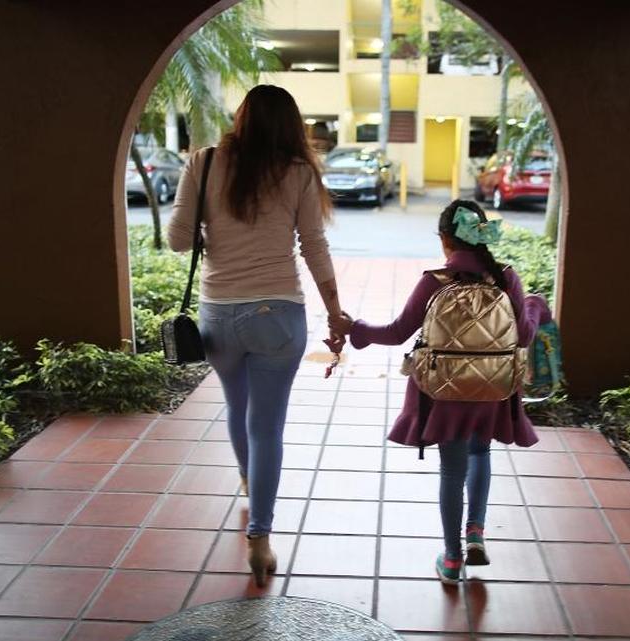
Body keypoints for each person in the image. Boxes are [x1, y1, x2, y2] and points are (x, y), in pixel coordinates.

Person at [167, 85, 344, 587]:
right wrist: (335, 312)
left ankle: (249, 484)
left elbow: (178, 241)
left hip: (218, 315)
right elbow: (314, 244)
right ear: (292, 125)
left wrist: (212, 228)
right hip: (278, 314)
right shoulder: (298, 172)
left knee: (236, 407)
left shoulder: (202, 162)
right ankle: (260, 540)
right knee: (267, 426)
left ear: (240, 118)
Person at [330, 200, 551, 584]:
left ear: (445, 239)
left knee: (452, 470)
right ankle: (476, 531)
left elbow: (398, 332)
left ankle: (451, 559)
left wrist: (357, 330)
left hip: (444, 389)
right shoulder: (506, 278)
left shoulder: (434, 281)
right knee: (481, 451)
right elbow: (524, 335)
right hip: (493, 388)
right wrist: (533, 306)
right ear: (483, 235)